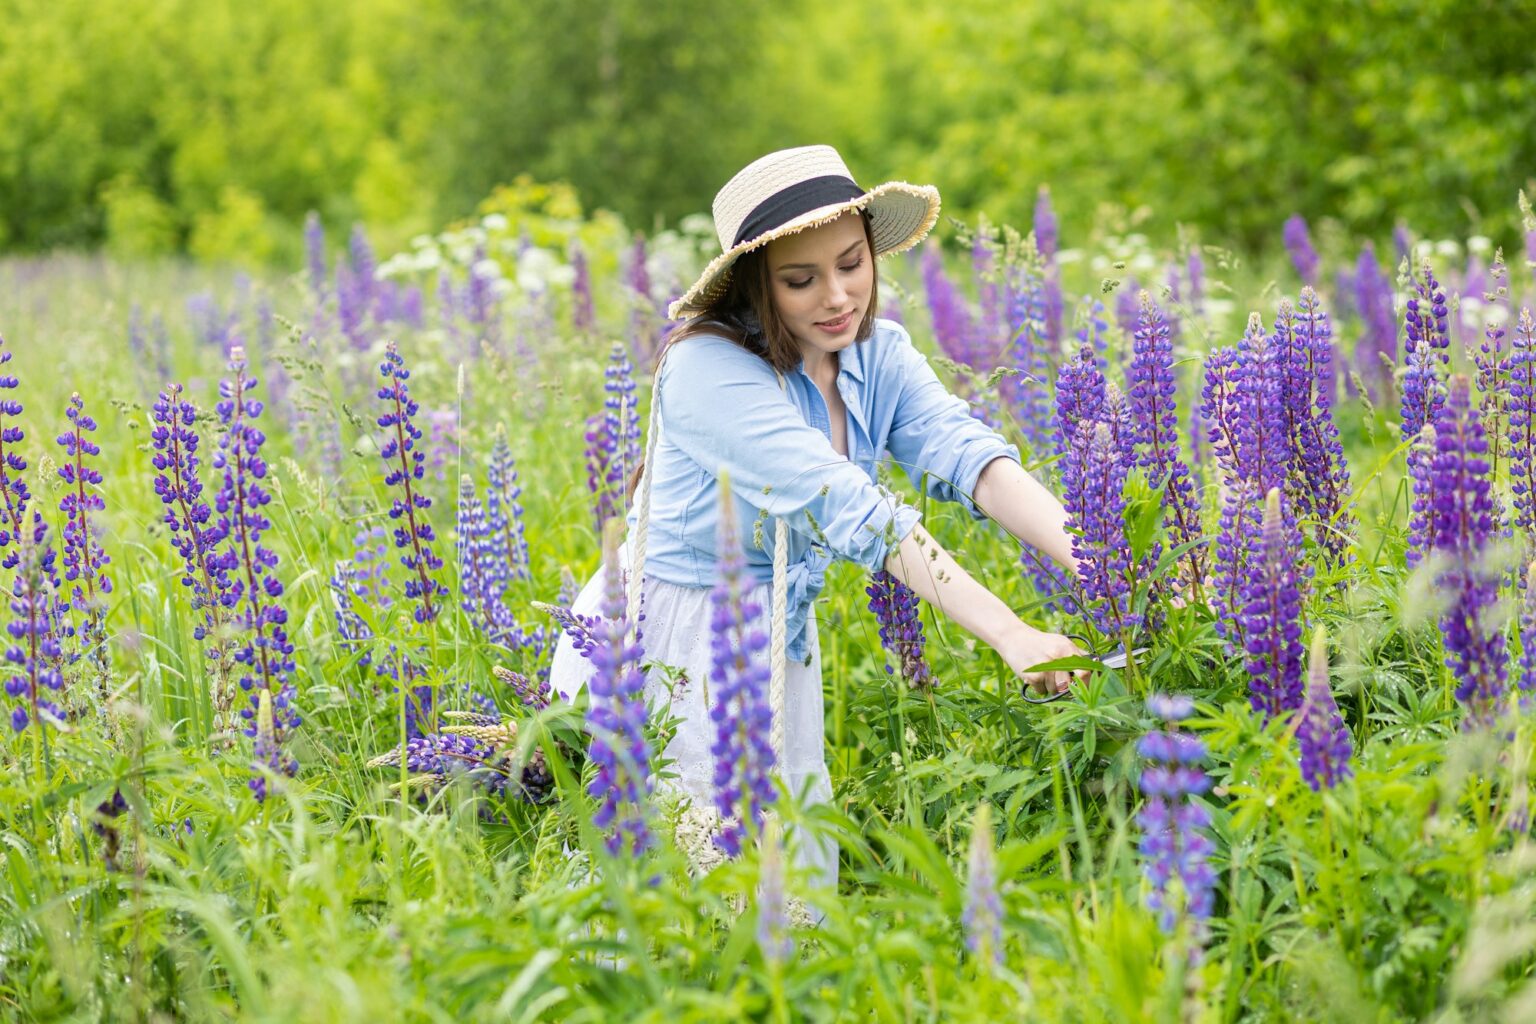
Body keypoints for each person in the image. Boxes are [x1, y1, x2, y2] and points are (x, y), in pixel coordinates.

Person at [549, 144, 1084, 891]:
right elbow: (855, 512)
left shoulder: (880, 355)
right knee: (677, 884)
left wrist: (1111, 565)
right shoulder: (704, 369)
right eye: (801, 280)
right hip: (669, 645)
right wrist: (1013, 634)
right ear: (755, 286)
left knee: (786, 888)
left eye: (851, 263)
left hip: (776, 642)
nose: (838, 297)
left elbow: (974, 460)